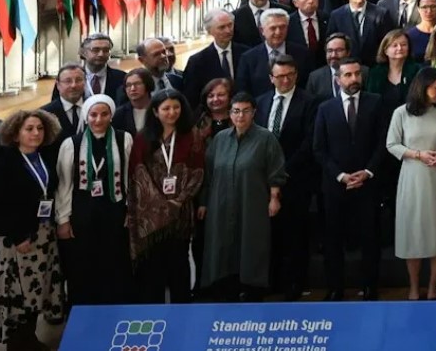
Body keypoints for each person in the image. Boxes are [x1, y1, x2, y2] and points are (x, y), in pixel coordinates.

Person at [0, 110, 66, 351]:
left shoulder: (45, 157)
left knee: (36, 288)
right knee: (15, 292)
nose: (36, 133)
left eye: (40, 128)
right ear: (15, 134)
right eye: (29, 129)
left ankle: (29, 337)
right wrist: (18, 236)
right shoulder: (2, 163)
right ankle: (16, 342)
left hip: (42, 234)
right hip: (13, 238)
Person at [312, 58, 391, 301]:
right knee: (333, 240)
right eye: (348, 75)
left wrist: (368, 171)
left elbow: (383, 142)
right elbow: (319, 148)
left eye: (357, 74)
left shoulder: (376, 102)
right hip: (336, 186)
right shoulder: (325, 108)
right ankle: (335, 288)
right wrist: (340, 176)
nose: (354, 79)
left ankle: (370, 287)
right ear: (338, 80)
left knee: (370, 238)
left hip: (368, 184)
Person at [195, 94, 285, 302]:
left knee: (251, 243)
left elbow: (276, 171)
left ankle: (252, 289)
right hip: (221, 203)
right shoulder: (220, 139)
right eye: (236, 111)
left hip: (252, 202)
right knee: (222, 244)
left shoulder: (265, 138)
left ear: (254, 113)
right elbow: (208, 173)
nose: (240, 116)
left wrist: (274, 198)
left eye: (246, 111)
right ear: (230, 113)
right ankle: (225, 288)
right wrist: (204, 203)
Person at [54, 95, 135, 306]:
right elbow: (64, 185)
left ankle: (115, 309)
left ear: (111, 115)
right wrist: (63, 219)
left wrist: (130, 210)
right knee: (83, 263)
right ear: (86, 116)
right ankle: (83, 310)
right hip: (83, 211)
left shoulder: (124, 139)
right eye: (93, 114)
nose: (98, 119)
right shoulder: (71, 144)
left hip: (115, 209)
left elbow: (130, 177)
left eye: (104, 114)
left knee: (115, 261)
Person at [128, 90, 205, 304]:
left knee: (179, 262)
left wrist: (178, 200)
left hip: (180, 213)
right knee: (153, 267)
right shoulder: (143, 138)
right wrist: (159, 204)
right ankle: (155, 313)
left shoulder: (192, 135)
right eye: (166, 108)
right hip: (151, 216)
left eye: (176, 107)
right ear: (155, 111)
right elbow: (137, 173)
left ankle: (181, 311)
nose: (172, 112)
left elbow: (198, 171)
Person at [387, 67, 436, 300]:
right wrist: (418, 155)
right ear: (422, 87)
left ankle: (433, 287)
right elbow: (392, 144)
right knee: (413, 233)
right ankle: (414, 287)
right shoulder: (401, 113)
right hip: (412, 176)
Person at [257, 57, 318, 300]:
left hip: (295, 179)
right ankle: (271, 281)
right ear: (271, 78)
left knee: (295, 234)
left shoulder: (310, 102)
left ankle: (295, 284)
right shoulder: (261, 102)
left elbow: (309, 142)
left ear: (296, 75)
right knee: (268, 235)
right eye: (280, 76)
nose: (285, 80)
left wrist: (281, 171)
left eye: (290, 74)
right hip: (262, 182)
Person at [366, 28, 420, 105]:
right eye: (395, 45)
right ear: (385, 50)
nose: (400, 48)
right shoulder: (375, 73)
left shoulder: (417, 70)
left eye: (403, 45)